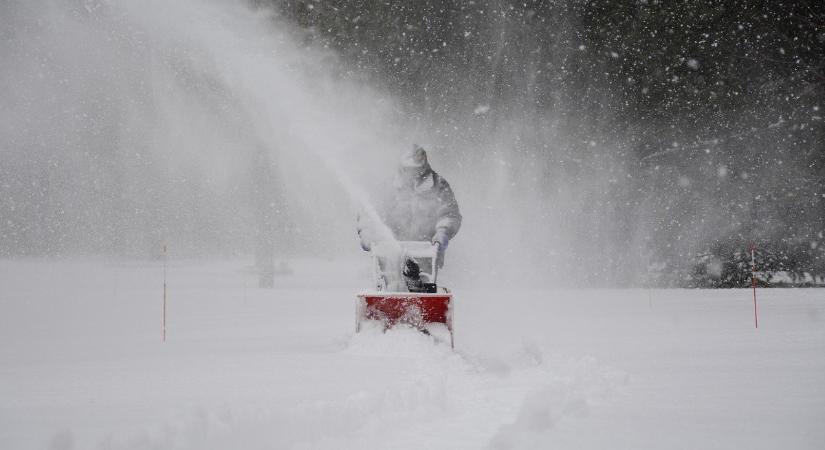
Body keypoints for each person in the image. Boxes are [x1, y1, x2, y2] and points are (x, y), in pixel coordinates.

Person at [357, 145, 461, 288]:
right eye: (409, 169)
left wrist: (442, 234)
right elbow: (369, 215)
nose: (413, 174)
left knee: (422, 288)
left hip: (426, 252)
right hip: (389, 253)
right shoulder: (387, 187)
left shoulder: (438, 186)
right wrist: (368, 235)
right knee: (391, 288)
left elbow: (449, 213)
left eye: (417, 169)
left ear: (424, 167)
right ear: (401, 167)